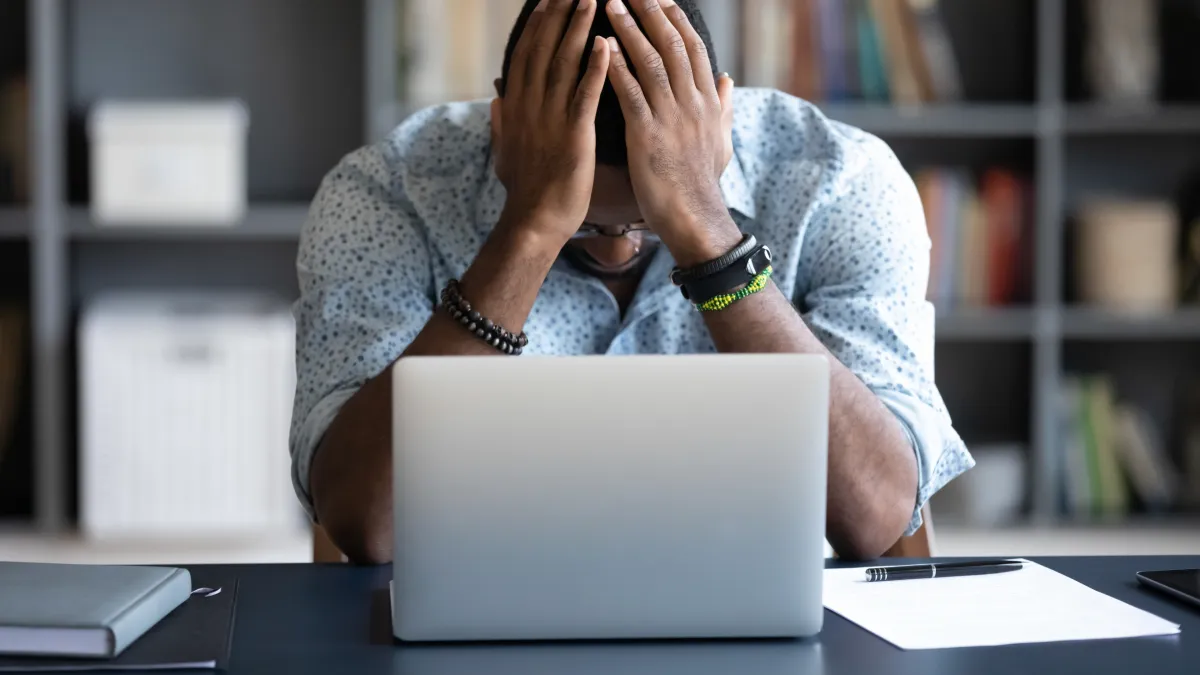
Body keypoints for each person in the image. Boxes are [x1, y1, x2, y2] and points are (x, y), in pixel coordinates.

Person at [291, 0, 973, 565]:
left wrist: (705, 230)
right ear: (502, 130)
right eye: (587, 226)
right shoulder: (387, 194)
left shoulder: (842, 181)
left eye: (644, 227)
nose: (618, 250)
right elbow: (363, 522)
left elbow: (880, 513)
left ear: (720, 123)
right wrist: (529, 231)